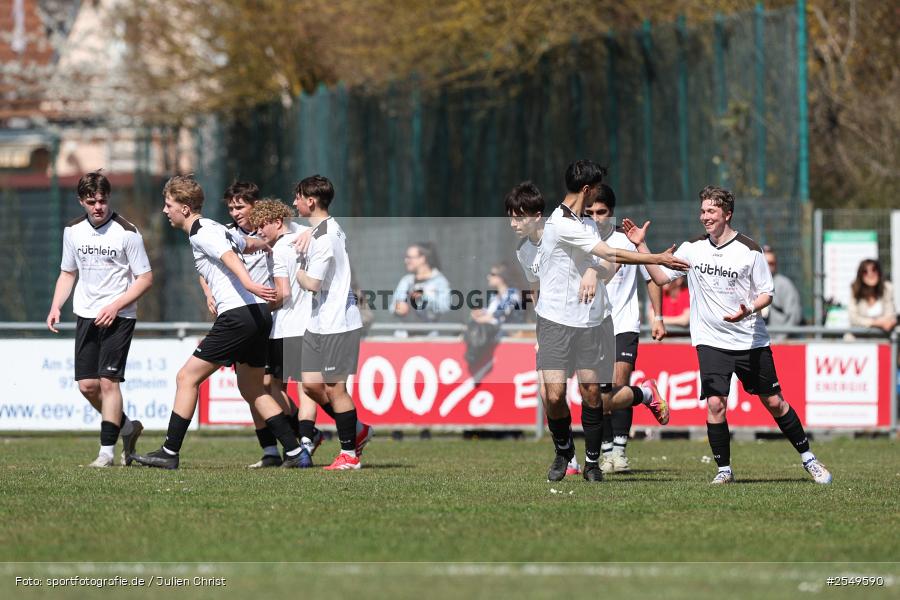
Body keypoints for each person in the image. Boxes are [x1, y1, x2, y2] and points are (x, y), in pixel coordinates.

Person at [623, 185, 833, 485]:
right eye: (702, 211)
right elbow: (659, 277)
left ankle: (809, 458)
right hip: (711, 342)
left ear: (727, 213)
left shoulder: (750, 250)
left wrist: (748, 310)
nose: (705, 216)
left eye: (711, 210)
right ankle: (724, 470)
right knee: (715, 404)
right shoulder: (692, 248)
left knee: (774, 402)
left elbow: (767, 293)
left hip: (750, 340)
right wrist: (641, 246)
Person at [507, 161, 686, 483]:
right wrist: (656, 257)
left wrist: (593, 270)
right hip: (555, 325)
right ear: (587, 190)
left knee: (592, 394)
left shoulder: (585, 225)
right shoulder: (558, 226)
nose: (513, 223)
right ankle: (564, 451)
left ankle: (592, 462)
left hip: (591, 322)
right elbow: (539, 287)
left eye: (518, 217)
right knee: (553, 395)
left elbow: (607, 262)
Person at [131, 175, 307, 469]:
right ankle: (294, 451)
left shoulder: (202, 231)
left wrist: (248, 282)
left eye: (168, 205)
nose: (165, 210)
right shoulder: (215, 227)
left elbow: (228, 256)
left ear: (185, 208)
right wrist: (266, 246)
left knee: (186, 378)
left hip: (238, 315)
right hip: (258, 314)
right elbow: (246, 244)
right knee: (253, 388)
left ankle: (169, 452)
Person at [46, 171, 152, 467]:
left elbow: (145, 279)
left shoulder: (127, 232)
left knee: (108, 382)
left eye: (102, 201)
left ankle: (106, 452)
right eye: (91, 202)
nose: (98, 207)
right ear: (81, 201)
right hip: (86, 314)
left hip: (119, 316)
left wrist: (115, 306)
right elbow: (68, 273)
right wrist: (56, 306)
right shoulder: (72, 231)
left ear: (109, 199)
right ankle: (126, 427)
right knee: (87, 386)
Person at [211, 181, 307, 467]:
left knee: (268, 385)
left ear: (256, 206)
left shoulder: (272, 232)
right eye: (231, 208)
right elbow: (208, 267)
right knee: (254, 386)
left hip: (272, 317)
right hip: (246, 317)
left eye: (240, 206)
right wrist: (208, 293)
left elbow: (308, 232)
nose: (235, 212)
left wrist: (310, 234)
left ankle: (302, 438)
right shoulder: (225, 235)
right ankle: (271, 450)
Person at [583, 183, 665, 474]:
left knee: (617, 383)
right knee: (600, 394)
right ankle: (643, 396)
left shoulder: (628, 240)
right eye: (590, 212)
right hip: (592, 326)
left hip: (624, 322)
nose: (596, 218)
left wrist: (658, 317)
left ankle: (618, 452)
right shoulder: (581, 241)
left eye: (602, 212)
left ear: (612, 212)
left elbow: (651, 278)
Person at [293, 175, 372, 470]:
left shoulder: (325, 237)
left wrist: (297, 271)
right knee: (311, 385)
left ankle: (349, 455)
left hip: (337, 323)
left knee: (336, 389)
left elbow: (312, 283)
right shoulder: (322, 229)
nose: (294, 203)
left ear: (311, 201)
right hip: (318, 322)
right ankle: (358, 430)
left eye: (298, 197)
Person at [248, 198, 324, 468]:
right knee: (301, 386)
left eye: (262, 226)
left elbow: (283, 293)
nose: (259, 231)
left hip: (288, 325)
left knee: (277, 386)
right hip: (311, 323)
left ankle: (304, 440)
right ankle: (307, 438)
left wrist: (257, 307)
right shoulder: (305, 236)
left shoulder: (280, 249)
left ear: (277, 222)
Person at [391, 243, 452, 331]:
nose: (406, 260)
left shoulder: (440, 282)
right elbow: (393, 306)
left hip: (429, 335)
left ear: (422, 259)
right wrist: (398, 308)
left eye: (409, 257)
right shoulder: (406, 280)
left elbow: (444, 307)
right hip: (403, 335)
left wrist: (424, 298)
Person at [761, 245, 803, 336]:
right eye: (765, 263)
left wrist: (781, 339)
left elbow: (794, 316)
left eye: (771, 263)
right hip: (758, 340)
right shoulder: (751, 284)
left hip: (778, 340)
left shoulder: (784, 284)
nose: (768, 267)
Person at [848, 259, 896, 334]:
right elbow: (853, 318)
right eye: (865, 271)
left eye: (874, 270)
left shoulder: (887, 289)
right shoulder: (855, 290)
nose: (870, 274)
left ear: (879, 272)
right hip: (859, 336)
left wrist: (888, 322)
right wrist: (875, 322)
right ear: (860, 275)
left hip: (882, 337)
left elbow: (891, 316)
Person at [470, 262, 525, 328]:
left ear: (502, 277)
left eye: (492, 274)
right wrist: (481, 312)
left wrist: (485, 318)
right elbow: (491, 313)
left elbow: (502, 312)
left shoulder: (513, 294)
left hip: (510, 332)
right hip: (495, 331)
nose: (488, 277)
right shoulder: (494, 296)